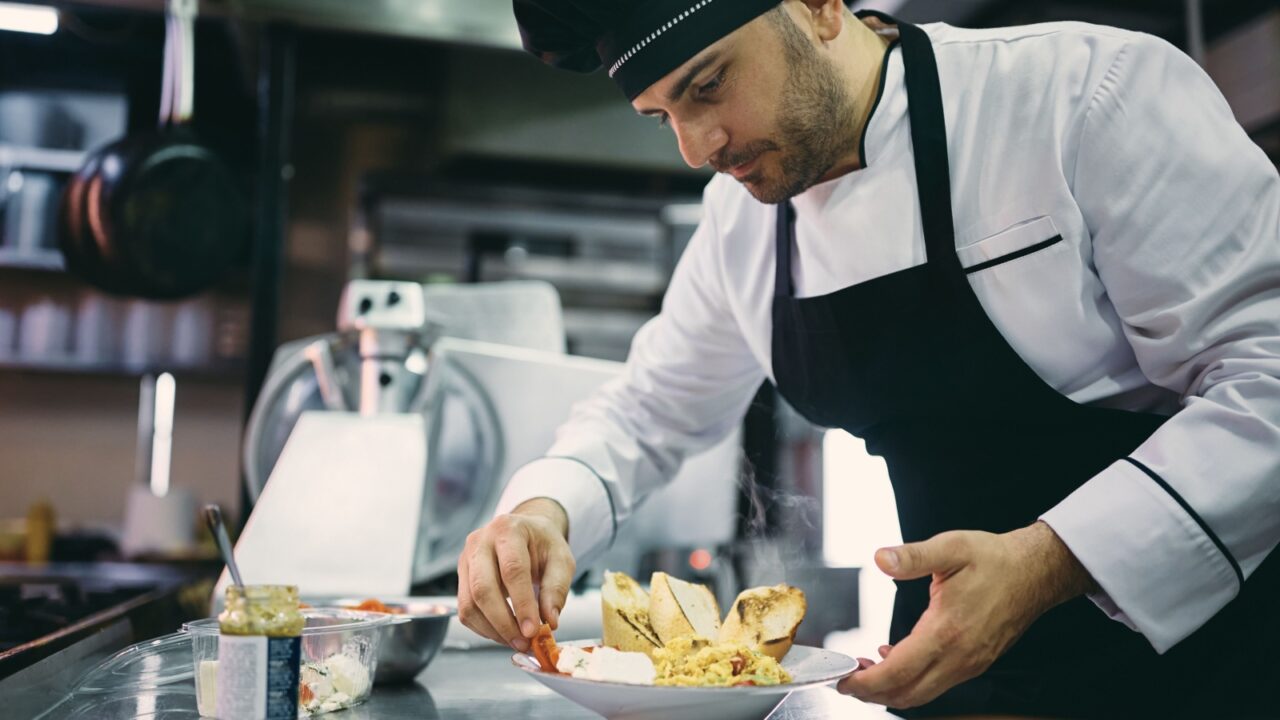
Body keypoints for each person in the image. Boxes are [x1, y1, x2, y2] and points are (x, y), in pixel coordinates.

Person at [456, 1, 1280, 716]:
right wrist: (542, 511)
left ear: (818, 6)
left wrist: (1048, 562)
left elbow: (1266, 375)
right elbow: (644, 413)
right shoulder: (739, 223)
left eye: (708, 84)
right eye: (660, 114)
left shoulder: (1084, 95)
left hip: (1199, 658)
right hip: (943, 671)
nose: (696, 145)